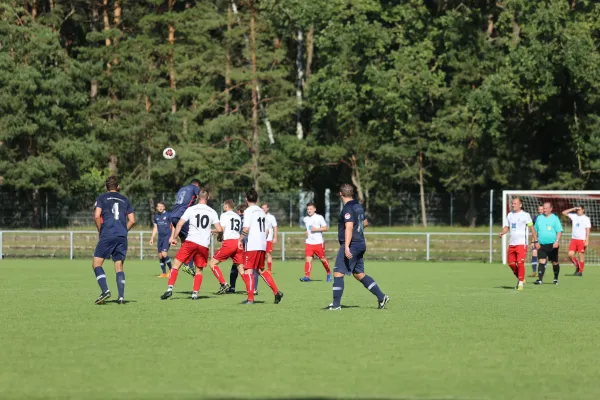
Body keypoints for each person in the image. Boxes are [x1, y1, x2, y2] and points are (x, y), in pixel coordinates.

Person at [327, 184, 389, 310]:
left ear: (340, 194)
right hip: (361, 243)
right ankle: (381, 297)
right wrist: (357, 230)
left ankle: (336, 305)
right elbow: (365, 223)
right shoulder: (357, 206)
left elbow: (349, 227)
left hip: (352, 244)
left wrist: (346, 247)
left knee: (338, 272)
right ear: (352, 193)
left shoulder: (348, 208)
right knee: (359, 273)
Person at [160, 190, 225, 300]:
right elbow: (219, 229)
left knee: (176, 265)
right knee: (199, 270)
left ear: (198, 197)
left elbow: (180, 224)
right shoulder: (212, 211)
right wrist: (219, 237)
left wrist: (174, 238)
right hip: (203, 245)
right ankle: (195, 293)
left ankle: (170, 289)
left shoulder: (191, 209)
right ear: (207, 197)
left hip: (190, 242)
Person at [92, 176, 136, 305]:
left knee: (96, 264)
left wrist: (101, 230)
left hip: (107, 234)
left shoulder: (101, 198)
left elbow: (96, 216)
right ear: (118, 187)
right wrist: (124, 230)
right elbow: (132, 220)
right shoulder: (125, 199)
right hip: (121, 236)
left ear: (106, 187)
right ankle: (121, 297)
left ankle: (105, 290)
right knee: (119, 265)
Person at [237, 188, 283, 304]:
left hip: (252, 245)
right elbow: (267, 231)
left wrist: (240, 239)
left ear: (246, 199)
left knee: (248, 271)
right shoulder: (262, 212)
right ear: (257, 199)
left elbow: (246, 228)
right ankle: (276, 292)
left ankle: (250, 299)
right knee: (261, 270)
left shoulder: (248, 211)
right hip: (262, 245)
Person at [498, 197, 537, 290]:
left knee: (520, 263)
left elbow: (532, 229)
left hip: (521, 243)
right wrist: (502, 232)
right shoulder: (510, 215)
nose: (513, 205)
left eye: (515, 203)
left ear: (520, 205)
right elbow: (506, 227)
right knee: (511, 263)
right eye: (512, 203)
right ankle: (521, 278)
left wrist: (534, 241)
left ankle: (520, 283)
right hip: (512, 243)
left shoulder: (525, 215)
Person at [208, 199, 243, 294]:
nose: (223, 207)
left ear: (227, 206)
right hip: (238, 242)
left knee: (212, 263)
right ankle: (250, 289)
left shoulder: (224, 215)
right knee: (241, 268)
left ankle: (223, 283)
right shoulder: (237, 216)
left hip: (229, 243)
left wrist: (212, 230)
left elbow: (221, 229)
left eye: (224, 205)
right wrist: (221, 236)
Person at [169, 178, 201, 276]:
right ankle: (188, 264)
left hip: (173, 215)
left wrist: (173, 236)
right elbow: (202, 197)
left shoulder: (182, 189)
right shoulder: (194, 188)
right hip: (182, 215)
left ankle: (184, 261)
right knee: (192, 240)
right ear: (197, 185)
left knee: (184, 241)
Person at [300, 202, 332, 282]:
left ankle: (328, 273)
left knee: (323, 259)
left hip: (318, 243)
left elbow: (325, 228)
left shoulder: (319, 217)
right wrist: (306, 232)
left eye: (311, 209)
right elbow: (308, 228)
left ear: (314, 209)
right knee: (308, 259)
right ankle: (307, 277)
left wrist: (316, 229)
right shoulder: (305, 219)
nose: (309, 210)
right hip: (309, 242)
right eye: (308, 209)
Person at [534, 202, 563, 285]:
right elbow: (535, 231)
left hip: (552, 244)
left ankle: (556, 279)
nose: (544, 210)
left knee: (554, 262)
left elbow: (559, 231)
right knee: (541, 261)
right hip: (541, 244)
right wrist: (535, 241)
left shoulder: (555, 218)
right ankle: (539, 279)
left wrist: (557, 241)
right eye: (544, 208)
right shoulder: (539, 218)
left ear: (551, 209)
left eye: (546, 208)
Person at [562, 206, 591, 276]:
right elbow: (564, 213)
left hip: (581, 240)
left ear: (583, 210)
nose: (578, 211)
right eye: (577, 210)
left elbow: (588, 229)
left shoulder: (586, 218)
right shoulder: (574, 216)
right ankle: (578, 267)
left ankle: (580, 271)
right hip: (574, 239)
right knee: (570, 255)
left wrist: (587, 240)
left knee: (581, 255)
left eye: (579, 210)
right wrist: (573, 208)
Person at [149, 202, 174, 278]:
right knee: (160, 256)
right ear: (156, 208)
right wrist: (152, 238)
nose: (160, 208)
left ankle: (171, 270)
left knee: (164, 254)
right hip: (160, 237)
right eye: (159, 206)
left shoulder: (168, 215)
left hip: (167, 236)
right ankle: (163, 273)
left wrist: (172, 237)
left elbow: (173, 226)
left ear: (164, 207)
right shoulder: (156, 216)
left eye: (162, 206)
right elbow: (155, 228)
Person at [227, 203, 247, 293]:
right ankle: (253, 288)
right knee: (250, 268)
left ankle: (232, 287)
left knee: (236, 267)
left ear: (239, 211)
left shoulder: (237, 218)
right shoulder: (249, 219)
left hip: (239, 244)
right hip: (249, 246)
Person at [261, 203, 278, 273]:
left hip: (268, 239)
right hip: (260, 239)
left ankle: (269, 270)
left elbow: (275, 227)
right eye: (262, 208)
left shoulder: (271, 217)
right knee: (261, 254)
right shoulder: (259, 217)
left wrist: (275, 237)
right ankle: (261, 269)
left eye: (264, 208)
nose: (263, 209)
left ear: (267, 208)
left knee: (268, 254)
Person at [529, 205, 544, 278]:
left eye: (542, 209)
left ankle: (541, 272)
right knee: (534, 253)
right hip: (536, 240)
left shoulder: (548, 218)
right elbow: (533, 231)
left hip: (544, 240)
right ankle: (534, 271)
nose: (540, 210)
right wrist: (532, 241)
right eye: (539, 209)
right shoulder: (535, 218)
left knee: (543, 256)